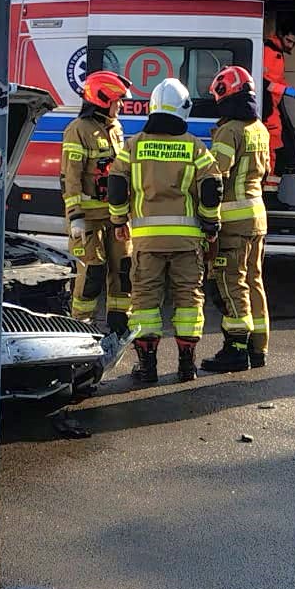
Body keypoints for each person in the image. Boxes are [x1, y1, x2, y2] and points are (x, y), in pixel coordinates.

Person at [108, 77, 222, 384]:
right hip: (187, 240)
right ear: (183, 108)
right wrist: (211, 224)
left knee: (145, 301)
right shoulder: (195, 147)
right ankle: (187, 365)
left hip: (146, 241)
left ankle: (147, 368)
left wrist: (119, 222)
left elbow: (116, 185)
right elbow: (212, 186)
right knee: (188, 300)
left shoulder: (133, 146)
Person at [202, 65, 271, 373]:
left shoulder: (230, 130)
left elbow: (215, 176)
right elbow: (265, 172)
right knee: (254, 282)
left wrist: (208, 219)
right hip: (257, 216)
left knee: (232, 284)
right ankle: (258, 348)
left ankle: (236, 349)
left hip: (233, 221)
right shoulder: (260, 128)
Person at [61, 70, 132, 338]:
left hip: (114, 215)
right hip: (88, 217)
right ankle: (82, 325)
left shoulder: (115, 128)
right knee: (92, 272)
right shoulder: (77, 130)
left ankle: (119, 323)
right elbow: (71, 176)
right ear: (102, 99)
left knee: (123, 269)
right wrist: (75, 215)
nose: (121, 106)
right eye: (118, 100)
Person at [261, 26, 295, 176]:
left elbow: (277, 80)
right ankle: (270, 190)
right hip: (266, 109)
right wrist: (285, 91)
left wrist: (294, 92)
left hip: (272, 107)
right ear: (280, 35)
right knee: (271, 150)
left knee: (275, 149)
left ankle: (272, 187)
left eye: (294, 43)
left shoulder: (276, 53)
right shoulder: (268, 51)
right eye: (288, 41)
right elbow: (262, 81)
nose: (290, 46)